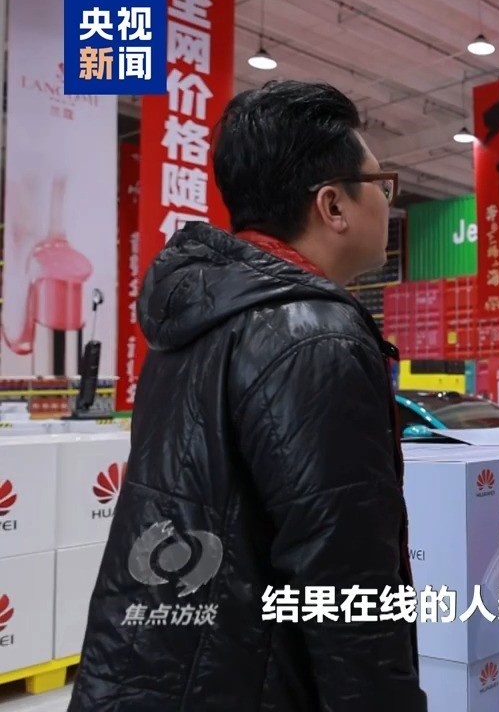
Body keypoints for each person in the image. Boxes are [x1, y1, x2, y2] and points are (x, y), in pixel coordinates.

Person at [69, 81, 427, 710]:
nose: (387, 202)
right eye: (381, 184)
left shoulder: (197, 321)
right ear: (333, 205)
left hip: (160, 668)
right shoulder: (317, 336)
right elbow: (347, 585)